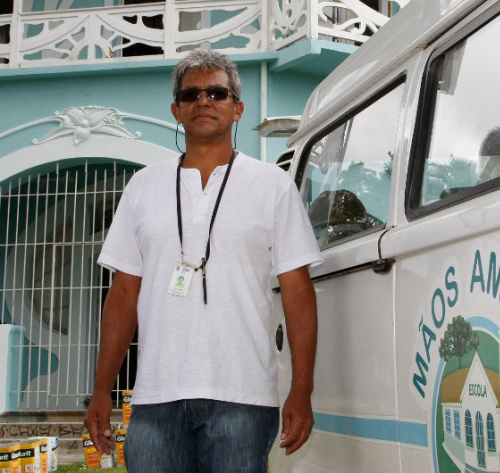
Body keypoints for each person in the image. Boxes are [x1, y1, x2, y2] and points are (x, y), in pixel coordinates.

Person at [84, 48, 322, 471]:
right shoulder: (143, 186)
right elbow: (122, 295)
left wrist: (302, 389)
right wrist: (102, 389)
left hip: (243, 396)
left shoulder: (273, 186)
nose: (203, 102)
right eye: (191, 95)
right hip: (156, 398)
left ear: (237, 108)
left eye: (217, 93)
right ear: (176, 111)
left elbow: (298, 292)